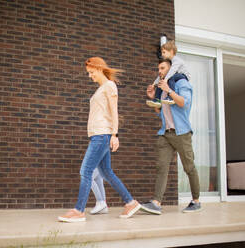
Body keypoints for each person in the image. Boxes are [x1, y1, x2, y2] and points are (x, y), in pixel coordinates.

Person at [58, 57, 141, 223]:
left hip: (102, 134)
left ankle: (79, 210)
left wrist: (115, 135)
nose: (90, 76)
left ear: (99, 68)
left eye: (91, 72)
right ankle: (130, 202)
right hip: (98, 134)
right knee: (106, 172)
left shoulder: (109, 86)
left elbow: (114, 112)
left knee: (85, 171)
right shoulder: (102, 88)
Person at [142, 58, 201, 215]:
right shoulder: (162, 88)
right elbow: (160, 110)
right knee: (162, 167)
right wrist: (153, 97)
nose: (159, 72)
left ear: (171, 69)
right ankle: (156, 202)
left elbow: (184, 103)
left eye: (162, 68)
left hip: (181, 133)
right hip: (166, 133)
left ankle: (196, 201)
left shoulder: (181, 83)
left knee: (189, 167)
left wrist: (168, 90)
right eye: (158, 69)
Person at [146, 40, 191, 108]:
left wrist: (166, 79)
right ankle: (157, 100)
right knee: (162, 80)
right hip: (176, 74)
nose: (162, 54)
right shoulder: (170, 62)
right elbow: (162, 76)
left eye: (164, 52)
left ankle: (171, 98)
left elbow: (172, 71)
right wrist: (154, 84)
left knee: (170, 78)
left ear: (171, 52)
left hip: (184, 75)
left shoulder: (176, 60)